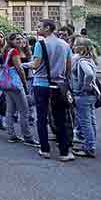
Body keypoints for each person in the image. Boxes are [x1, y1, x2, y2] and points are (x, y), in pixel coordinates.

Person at [32, 19, 75, 162]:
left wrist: (26, 64)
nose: (37, 29)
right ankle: (64, 152)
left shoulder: (40, 44)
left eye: (39, 26)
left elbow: (36, 64)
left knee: (42, 117)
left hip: (41, 84)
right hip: (58, 85)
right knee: (60, 118)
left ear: (48, 28)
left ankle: (44, 149)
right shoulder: (65, 45)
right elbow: (69, 67)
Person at [2, 33, 38, 147]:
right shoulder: (15, 52)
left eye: (21, 39)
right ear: (11, 40)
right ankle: (27, 137)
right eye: (17, 39)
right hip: (16, 84)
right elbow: (19, 69)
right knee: (24, 111)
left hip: (7, 83)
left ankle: (11, 134)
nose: (20, 41)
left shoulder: (9, 51)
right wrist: (24, 83)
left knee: (10, 110)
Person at [71, 38, 97, 158]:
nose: (73, 46)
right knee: (91, 121)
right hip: (91, 96)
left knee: (85, 122)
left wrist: (84, 86)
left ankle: (89, 148)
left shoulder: (82, 61)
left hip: (83, 95)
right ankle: (90, 144)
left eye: (76, 45)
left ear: (81, 47)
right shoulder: (89, 59)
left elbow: (89, 74)